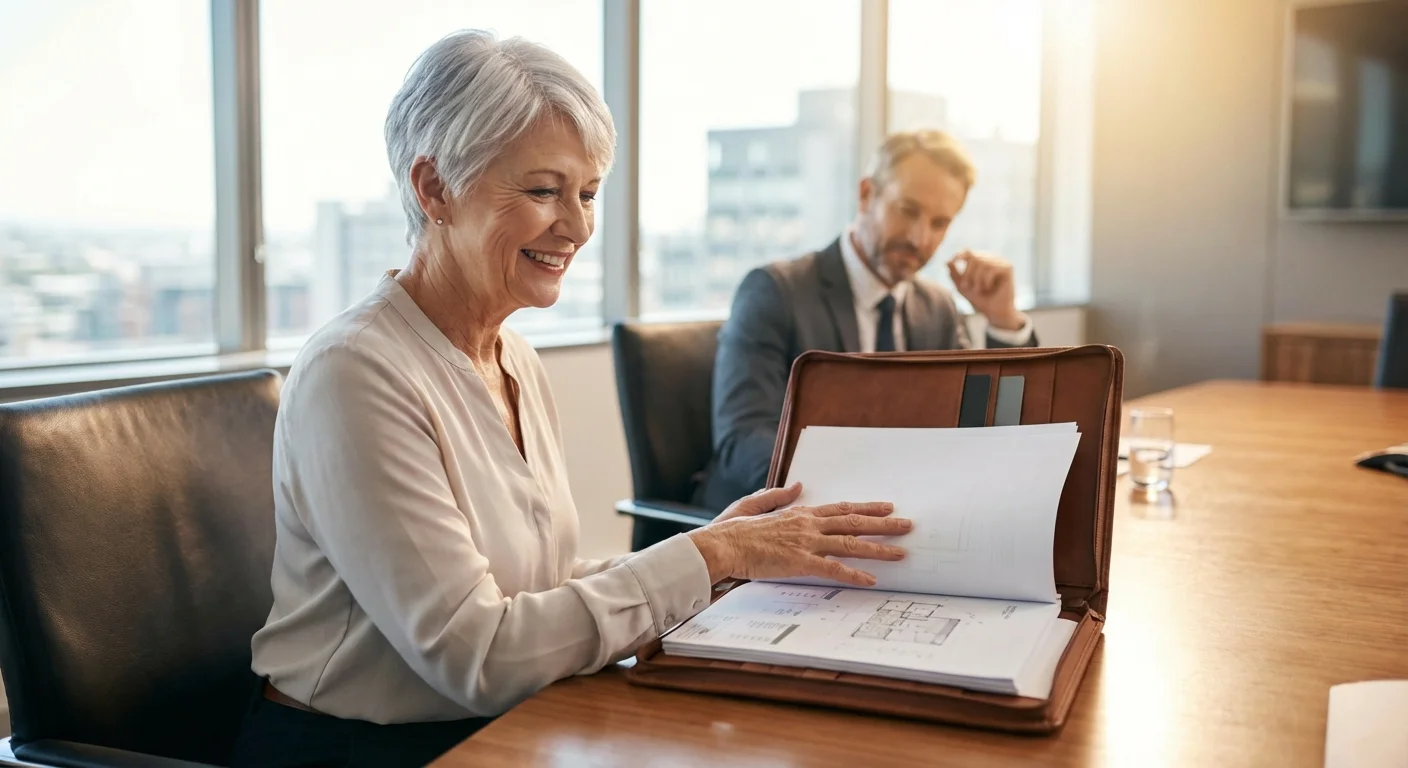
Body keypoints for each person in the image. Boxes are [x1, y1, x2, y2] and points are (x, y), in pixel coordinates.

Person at [230, 31, 911, 768]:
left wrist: (718, 558)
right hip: (360, 750)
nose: (579, 227)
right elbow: (479, 654)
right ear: (434, 189)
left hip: (506, 724)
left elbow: (536, 590)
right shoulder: (355, 373)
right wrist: (707, 555)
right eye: (543, 191)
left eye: (586, 194)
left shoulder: (512, 355)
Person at [694, 130, 1040, 514]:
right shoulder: (777, 292)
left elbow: (981, 431)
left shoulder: (937, 307)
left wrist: (1003, 319)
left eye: (939, 223)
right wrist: (863, 496)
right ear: (866, 194)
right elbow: (744, 441)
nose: (920, 237)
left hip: (902, 523)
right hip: (772, 525)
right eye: (907, 210)